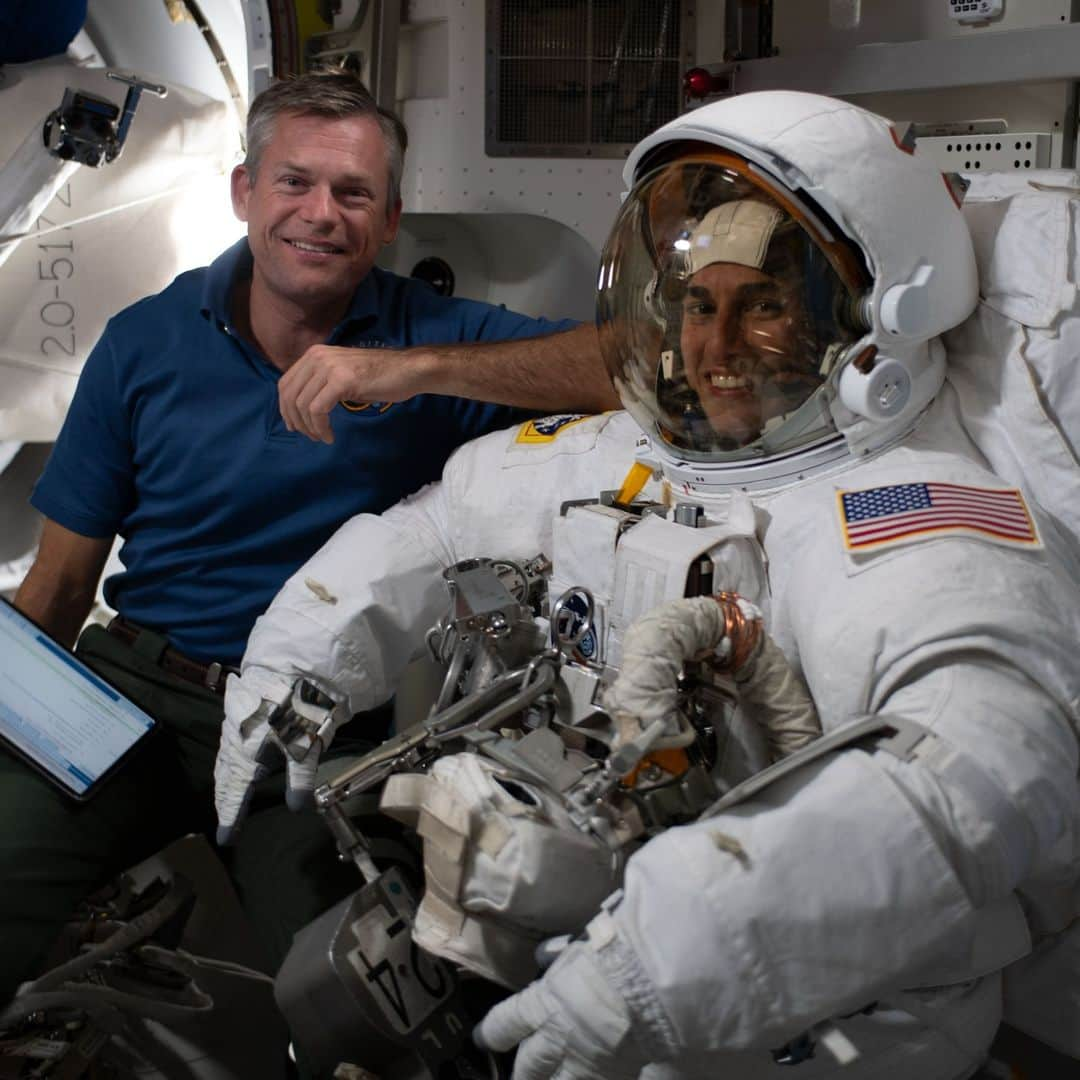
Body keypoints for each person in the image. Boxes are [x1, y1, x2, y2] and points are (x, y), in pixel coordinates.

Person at [215, 90, 1080, 1079]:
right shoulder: (633, 453)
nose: (712, 349)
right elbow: (430, 528)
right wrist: (287, 678)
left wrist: (685, 949)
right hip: (634, 941)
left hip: (831, 1018)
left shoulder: (902, 510)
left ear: (874, 323)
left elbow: (981, 769)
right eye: (697, 306)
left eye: (763, 307)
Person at [1, 69, 616, 998]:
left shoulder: (427, 338)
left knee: (347, 988)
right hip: (135, 693)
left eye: (353, 192)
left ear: (391, 216)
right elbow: (54, 592)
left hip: (311, 724)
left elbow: (625, 364)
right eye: (294, 182)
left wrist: (417, 370)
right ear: (246, 190)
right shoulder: (145, 340)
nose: (321, 213)